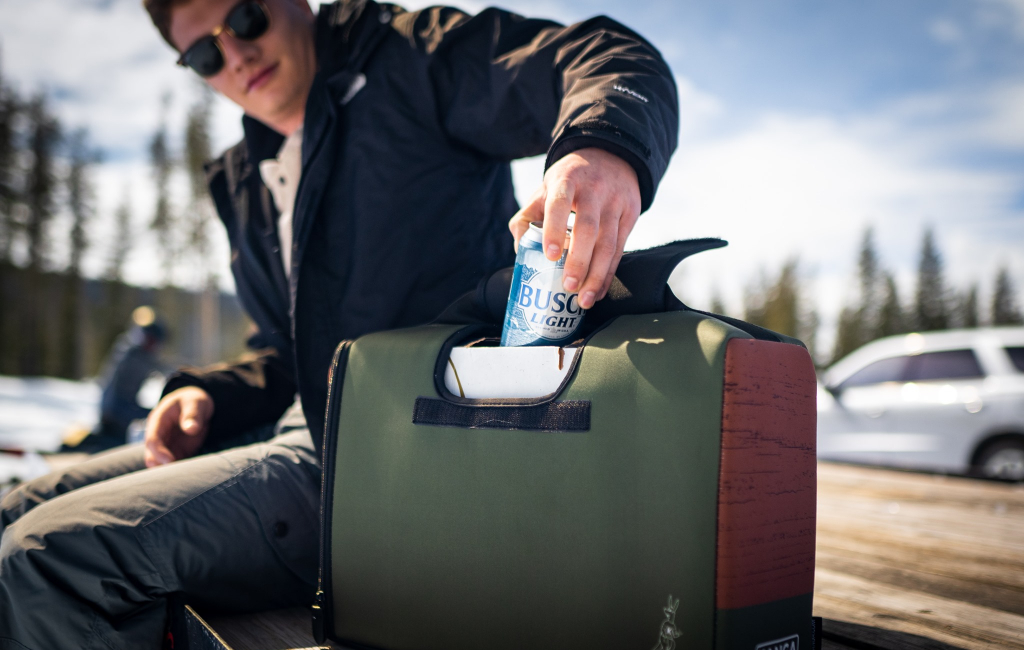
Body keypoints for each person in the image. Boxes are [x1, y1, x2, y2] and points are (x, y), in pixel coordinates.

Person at [0, 0, 678, 647]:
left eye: (245, 18)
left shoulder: (408, 60)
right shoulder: (247, 175)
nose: (234, 54)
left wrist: (601, 147)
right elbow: (292, 353)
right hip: (301, 431)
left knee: (46, 558)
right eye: (203, 54)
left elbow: (605, 56)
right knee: (15, 509)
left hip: (394, 460)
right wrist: (210, 393)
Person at [63, 306, 169, 453]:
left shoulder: (129, 349)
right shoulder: (134, 355)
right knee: (159, 415)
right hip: (117, 410)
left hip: (115, 408)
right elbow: (161, 368)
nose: (156, 347)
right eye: (154, 341)